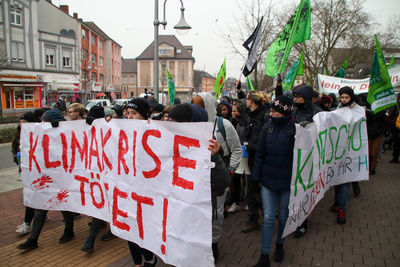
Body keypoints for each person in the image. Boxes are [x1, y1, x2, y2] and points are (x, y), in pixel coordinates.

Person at [168, 103, 230, 264]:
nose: (171, 125)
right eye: (170, 120)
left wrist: (214, 158)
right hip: (175, 208)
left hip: (198, 212)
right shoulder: (167, 141)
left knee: (195, 252)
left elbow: (223, 181)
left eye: (176, 122)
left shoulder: (209, 147)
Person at [191, 92, 241, 262]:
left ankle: (213, 243)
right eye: (194, 105)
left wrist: (230, 170)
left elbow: (236, 149)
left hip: (218, 175)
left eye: (200, 106)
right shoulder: (191, 125)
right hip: (198, 177)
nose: (197, 109)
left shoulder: (223, 125)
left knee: (217, 213)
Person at [17, 109, 76, 251]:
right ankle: (33, 239)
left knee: (64, 205)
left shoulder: (67, 133)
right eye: (41, 121)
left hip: (62, 177)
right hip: (46, 177)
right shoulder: (40, 133)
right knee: (40, 207)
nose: (42, 123)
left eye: (45, 121)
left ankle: (69, 230)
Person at [252, 95, 295, 267]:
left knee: (284, 217)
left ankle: (280, 245)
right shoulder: (267, 128)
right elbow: (260, 153)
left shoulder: (295, 129)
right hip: (268, 180)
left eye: (274, 111)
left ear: (284, 112)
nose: (271, 114)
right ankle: (264, 256)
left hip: (287, 182)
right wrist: (256, 176)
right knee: (269, 218)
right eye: (270, 110)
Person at [122, 98, 158, 267]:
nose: (129, 117)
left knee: (142, 229)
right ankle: (137, 263)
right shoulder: (120, 130)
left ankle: (149, 258)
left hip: (147, 192)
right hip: (127, 188)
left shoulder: (154, 131)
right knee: (129, 228)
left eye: (134, 113)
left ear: (144, 115)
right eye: (127, 113)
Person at [291, 84, 320, 237]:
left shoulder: (317, 113)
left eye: (299, 97)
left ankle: (302, 221)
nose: (296, 99)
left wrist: (310, 126)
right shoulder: (293, 111)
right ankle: (293, 216)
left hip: (308, 157)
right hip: (293, 154)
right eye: (295, 96)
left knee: (303, 189)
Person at [241, 91, 269, 233]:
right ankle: (253, 218)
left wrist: (250, 146)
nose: (245, 101)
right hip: (249, 158)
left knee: (260, 190)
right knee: (250, 190)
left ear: (251, 101)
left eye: (246, 99)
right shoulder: (248, 114)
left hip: (259, 158)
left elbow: (266, 142)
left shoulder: (265, 116)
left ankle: (266, 217)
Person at [13, 112, 40, 235]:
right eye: (21, 122)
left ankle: (27, 223)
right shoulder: (18, 135)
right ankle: (29, 221)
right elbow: (15, 148)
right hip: (27, 170)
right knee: (32, 195)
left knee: (32, 195)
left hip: (39, 170)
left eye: (25, 122)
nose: (22, 124)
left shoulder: (39, 134)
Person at [228, 101, 249, 214]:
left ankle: (248, 201)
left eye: (234, 111)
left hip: (246, 152)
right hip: (239, 152)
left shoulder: (246, 122)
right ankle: (236, 201)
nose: (232, 112)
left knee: (247, 178)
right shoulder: (238, 122)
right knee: (236, 177)